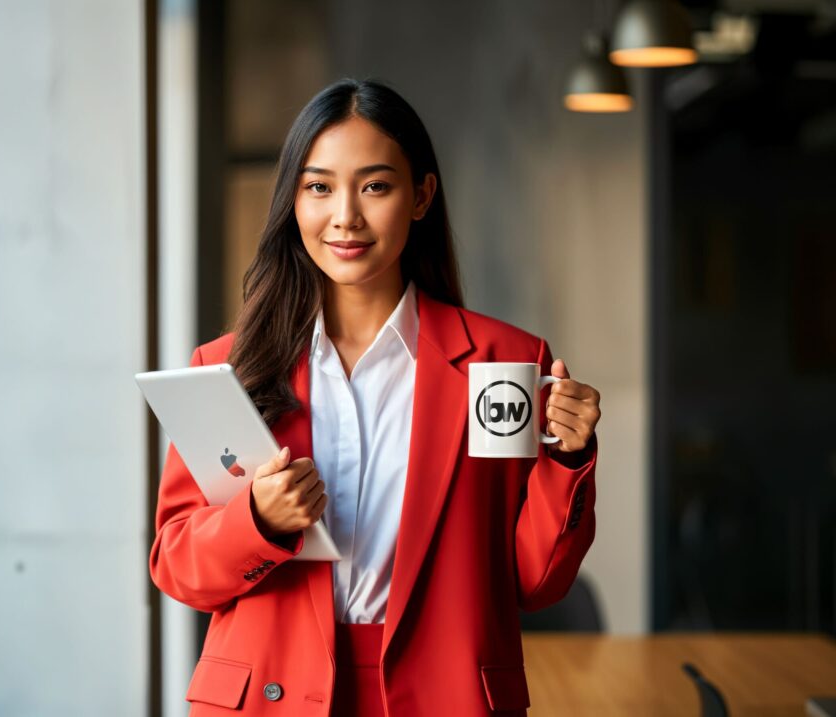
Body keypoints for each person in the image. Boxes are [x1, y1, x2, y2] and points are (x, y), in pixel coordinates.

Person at [150, 78, 602, 717]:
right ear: (294, 201)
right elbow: (178, 568)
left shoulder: (503, 366)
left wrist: (566, 457)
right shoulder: (227, 368)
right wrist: (257, 521)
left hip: (444, 698)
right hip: (269, 700)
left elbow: (533, 581)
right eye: (319, 187)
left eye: (375, 186)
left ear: (421, 196)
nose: (345, 216)